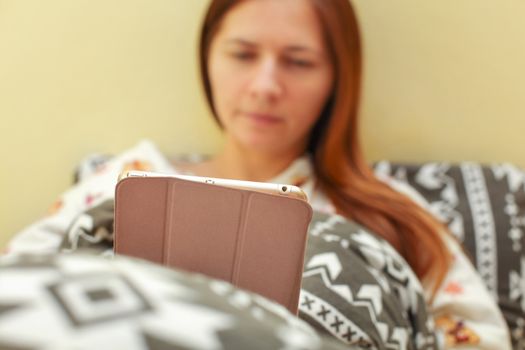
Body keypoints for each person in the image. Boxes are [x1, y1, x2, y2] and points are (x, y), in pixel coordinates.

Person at [6, 0, 511, 349]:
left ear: (337, 78)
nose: (265, 85)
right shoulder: (125, 180)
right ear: (208, 58)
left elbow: (475, 337)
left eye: (298, 62)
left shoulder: (387, 211)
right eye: (243, 55)